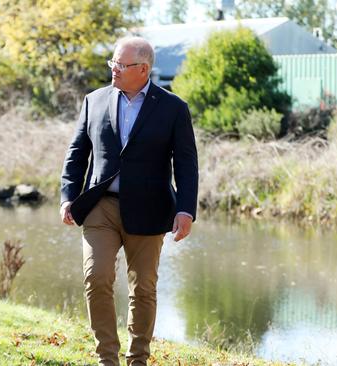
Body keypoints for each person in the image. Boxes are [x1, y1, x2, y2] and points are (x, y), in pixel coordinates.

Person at [60, 37, 198, 366]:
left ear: (143, 69)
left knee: (144, 288)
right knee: (96, 278)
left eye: (120, 65)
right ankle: (107, 358)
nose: (113, 70)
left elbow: (186, 162)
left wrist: (185, 209)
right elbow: (77, 154)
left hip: (149, 209)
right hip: (100, 205)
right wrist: (68, 196)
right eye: (113, 63)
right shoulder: (94, 100)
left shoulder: (173, 108)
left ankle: (138, 358)